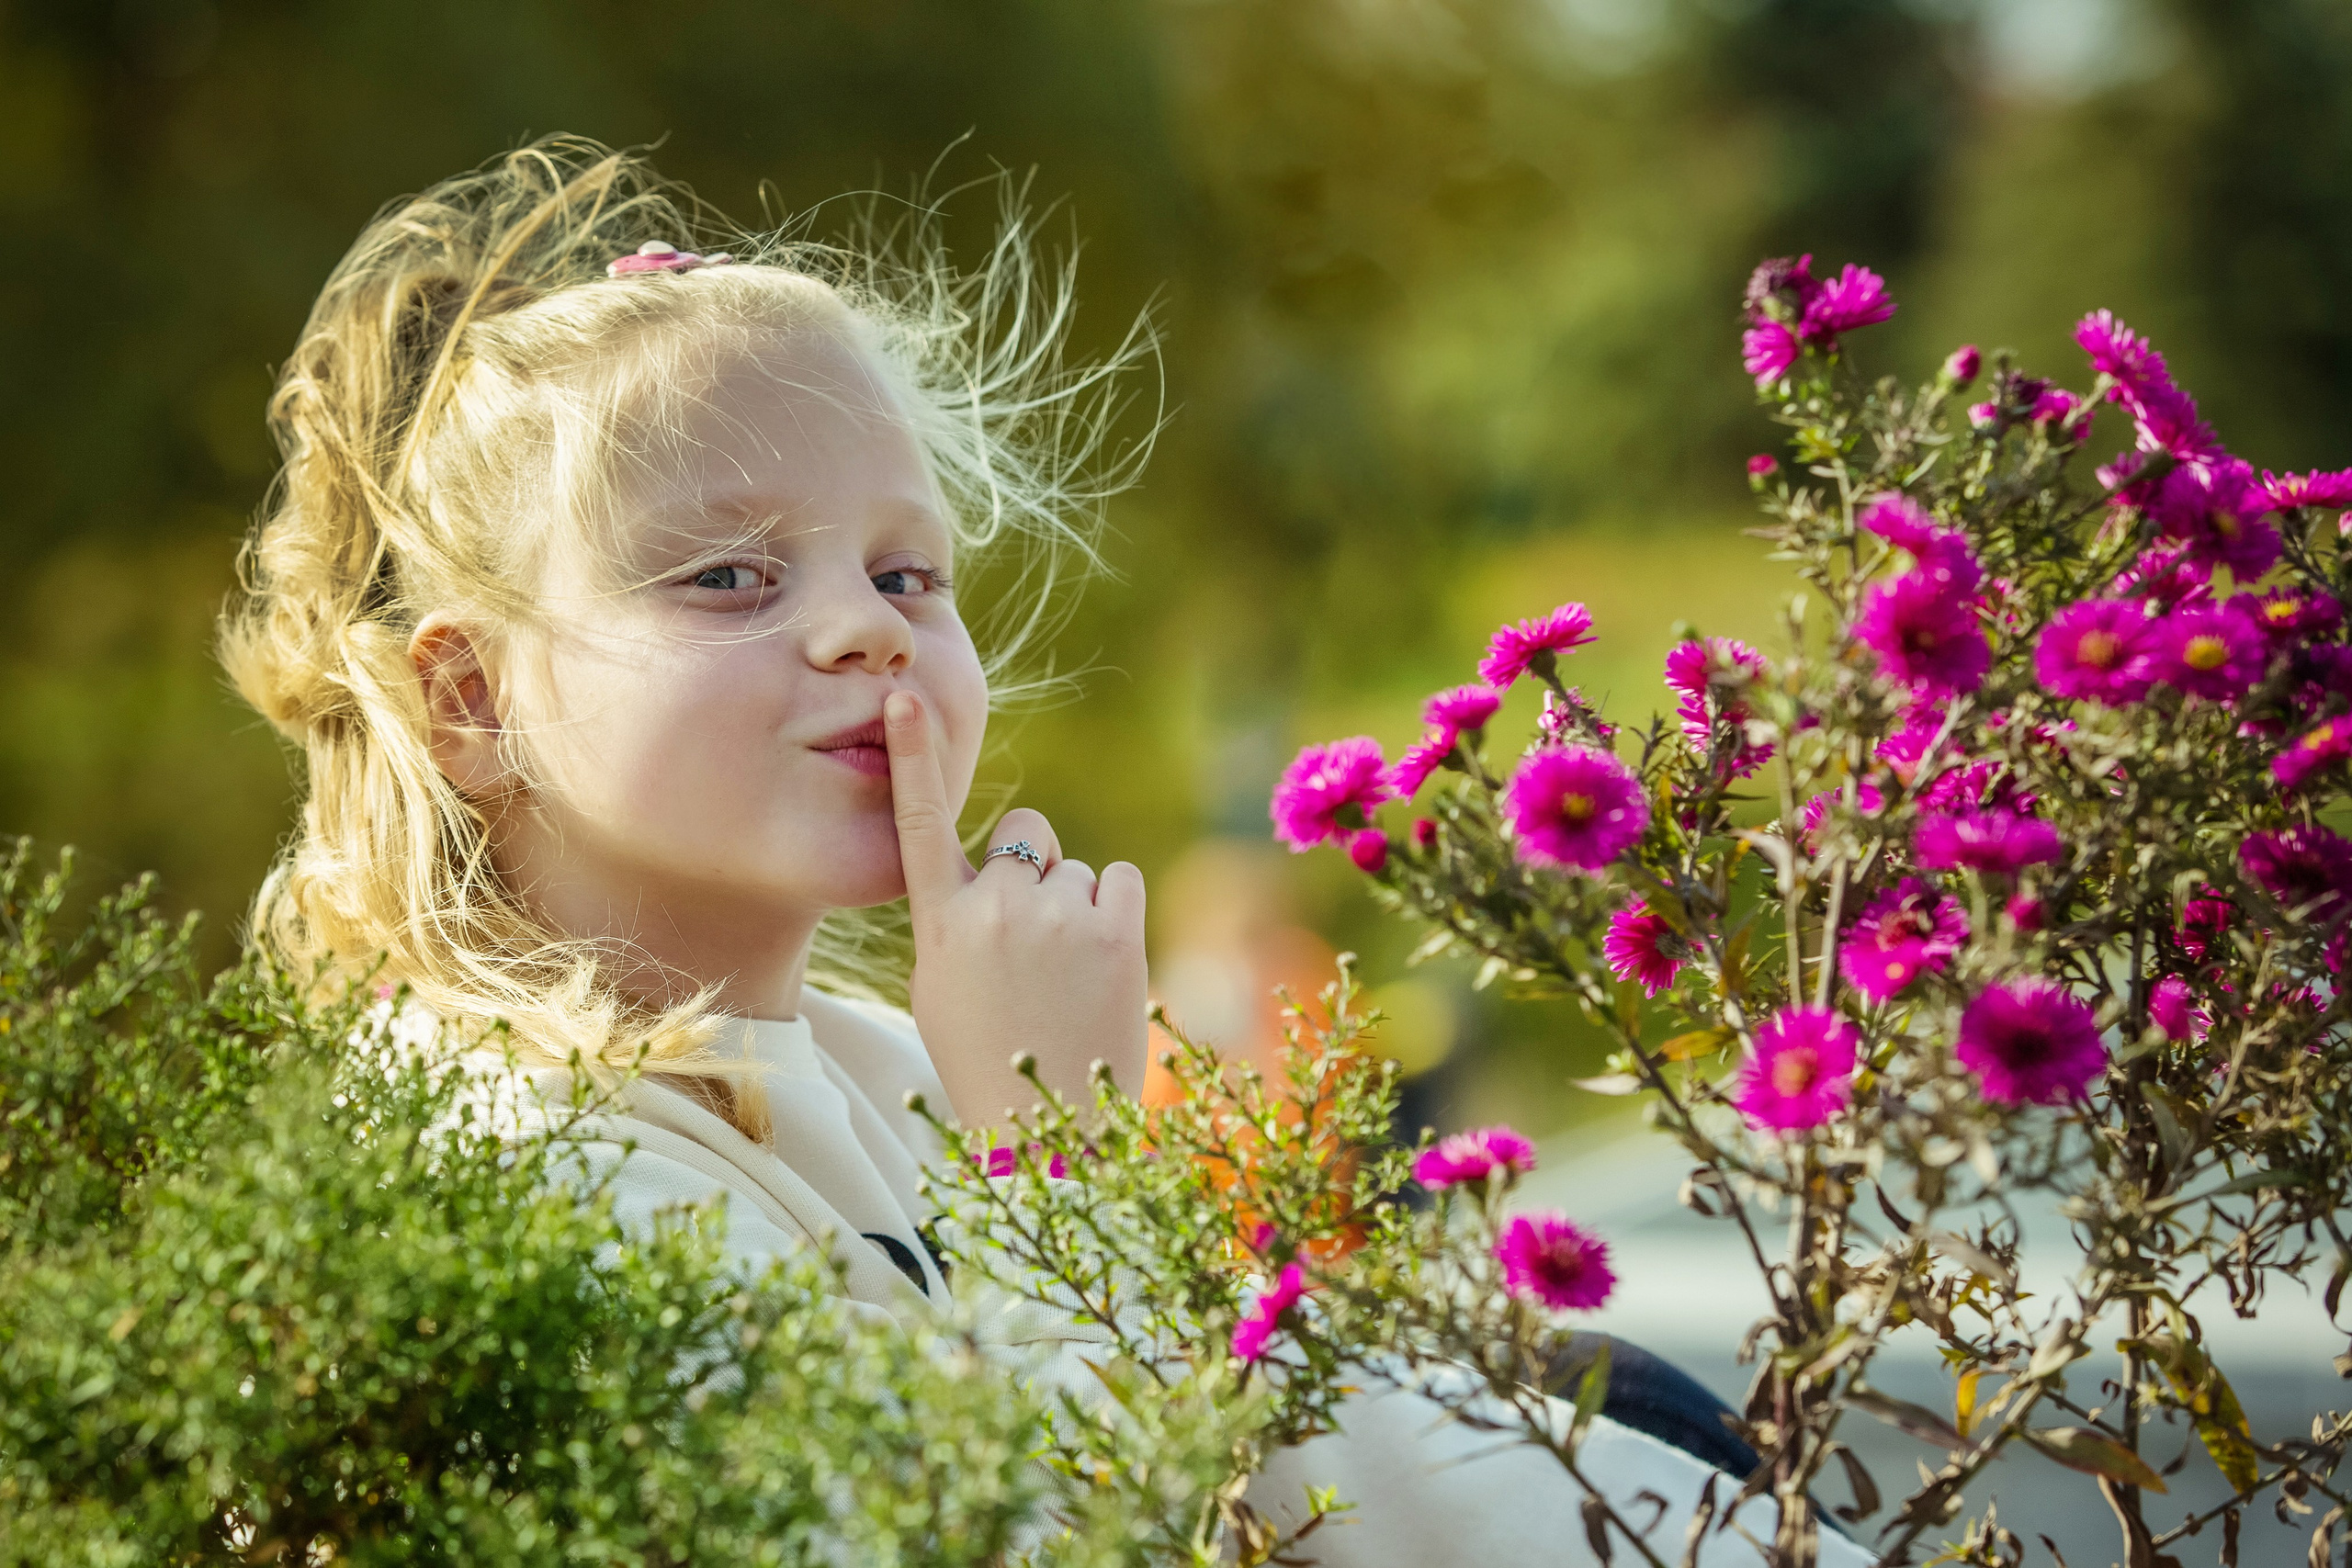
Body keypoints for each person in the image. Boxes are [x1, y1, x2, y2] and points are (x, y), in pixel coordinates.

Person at [219, 138, 1868, 1567]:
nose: (866, 628)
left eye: (908, 576)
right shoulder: (535, 1162)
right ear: (470, 698)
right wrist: (1059, 1150)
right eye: (728, 577)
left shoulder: (869, 1063)